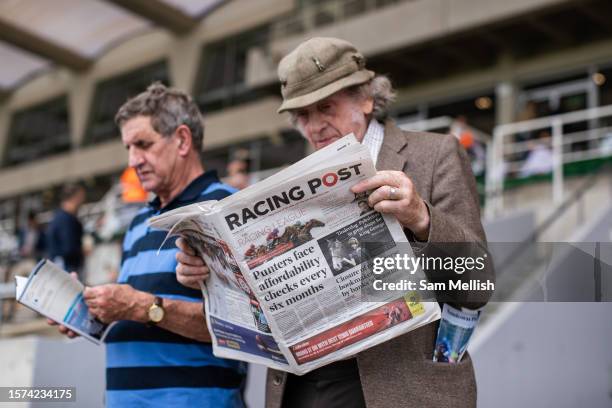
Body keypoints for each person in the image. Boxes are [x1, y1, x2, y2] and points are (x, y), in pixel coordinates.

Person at [177, 38, 493, 408]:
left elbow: (477, 284)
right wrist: (211, 273)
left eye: (326, 106)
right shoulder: (285, 183)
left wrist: (421, 218)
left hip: (399, 388)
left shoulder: (434, 155)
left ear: (367, 99)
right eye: (303, 115)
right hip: (302, 388)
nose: (314, 125)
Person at [50, 82, 246, 407]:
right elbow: (135, 306)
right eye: (128, 147)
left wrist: (141, 307)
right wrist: (89, 310)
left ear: (182, 140)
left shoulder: (227, 208)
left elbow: (245, 326)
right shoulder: (140, 221)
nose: (133, 160)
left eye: (142, 144)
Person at [47, 183, 86, 275]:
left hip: (61, 266)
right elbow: (69, 248)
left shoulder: (57, 217)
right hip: (68, 268)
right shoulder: (66, 219)